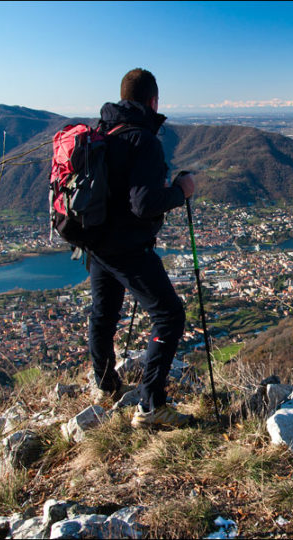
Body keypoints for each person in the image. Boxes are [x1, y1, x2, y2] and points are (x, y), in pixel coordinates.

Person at [87, 68, 195, 429]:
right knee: (169, 316)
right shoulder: (144, 141)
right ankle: (150, 407)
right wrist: (181, 191)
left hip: (97, 243)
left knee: (104, 315)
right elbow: (144, 204)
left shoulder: (101, 131)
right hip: (127, 247)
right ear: (153, 101)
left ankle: (107, 386)